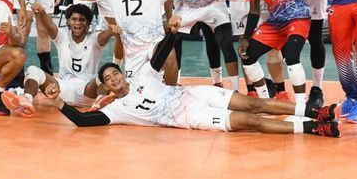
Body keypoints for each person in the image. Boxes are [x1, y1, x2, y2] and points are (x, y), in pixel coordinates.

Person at [46, 36, 341, 137]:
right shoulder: (119, 109)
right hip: (190, 118)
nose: (113, 78)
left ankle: (314, 112)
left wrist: (172, 33)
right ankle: (314, 128)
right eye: (108, 79)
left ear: (122, 74)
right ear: (108, 88)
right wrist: (59, 102)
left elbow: (161, 56)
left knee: (254, 103)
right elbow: (84, 121)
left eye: (115, 73)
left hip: (193, 93)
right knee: (251, 121)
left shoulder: (141, 77)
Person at [76, 0, 199, 83]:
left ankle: (171, 94)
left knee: (169, 55)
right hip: (133, 52)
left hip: (154, 43)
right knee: (136, 94)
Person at [2, 3, 114, 117]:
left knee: (105, 73)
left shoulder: (95, 39)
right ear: (68, 21)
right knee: (33, 70)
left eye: (82, 20)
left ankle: (99, 102)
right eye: (74, 19)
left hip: (87, 93)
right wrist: (41, 12)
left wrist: (111, 29)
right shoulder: (62, 36)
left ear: (88, 23)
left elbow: (106, 34)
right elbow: (49, 24)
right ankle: (26, 100)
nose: (78, 23)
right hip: (61, 90)